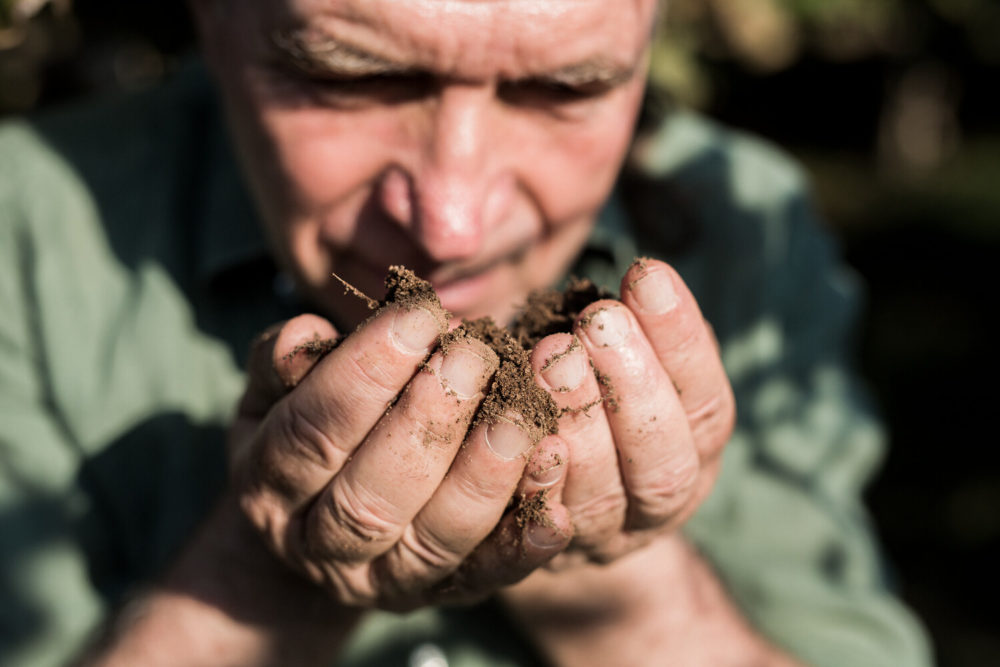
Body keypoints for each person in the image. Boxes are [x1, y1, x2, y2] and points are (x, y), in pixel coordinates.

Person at [0, 0, 932, 665]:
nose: (450, 220)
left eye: (565, 87)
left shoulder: (742, 227)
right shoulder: (27, 234)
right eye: (352, 76)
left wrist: (613, 580)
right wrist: (264, 574)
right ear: (214, 17)